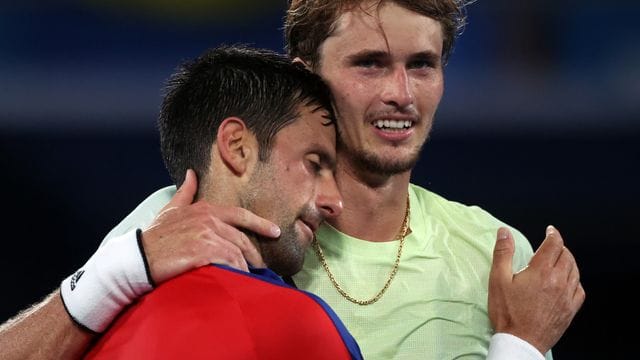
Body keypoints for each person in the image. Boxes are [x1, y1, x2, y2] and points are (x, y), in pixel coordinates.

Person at [0, 1, 584, 359]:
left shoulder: (496, 254)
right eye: (369, 63)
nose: (400, 95)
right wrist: (123, 268)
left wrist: (522, 346)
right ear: (308, 79)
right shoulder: (187, 218)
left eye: (422, 65)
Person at [81, 45, 362, 359]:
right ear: (237, 147)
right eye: (314, 164)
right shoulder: (302, 328)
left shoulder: (89, 334)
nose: (334, 202)